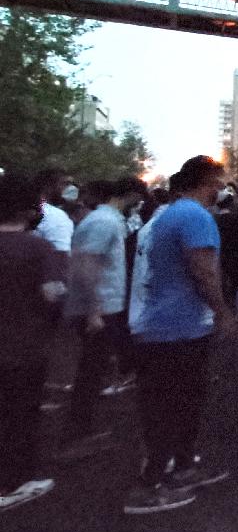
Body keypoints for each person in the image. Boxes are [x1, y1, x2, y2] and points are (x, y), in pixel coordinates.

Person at [127, 156, 237, 514]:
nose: (223, 186)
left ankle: (184, 467)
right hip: (175, 330)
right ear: (207, 180)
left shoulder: (168, 214)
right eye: (220, 179)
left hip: (166, 327)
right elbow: (204, 272)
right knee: (169, 408)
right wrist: (223, 313)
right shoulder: (194, 216)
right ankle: (148, 487)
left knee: (183, 403)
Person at [60, 177, 148, 459]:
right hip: (99, 309)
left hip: (104, 307)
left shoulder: (106, 220)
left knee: (94, 371)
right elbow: (87, 265)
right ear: (131, 195)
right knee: (90, 373)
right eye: (138, 197)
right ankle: (75, 437)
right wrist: (95, 310)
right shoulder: (104, 222)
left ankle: (81, 432)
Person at [0, 175, 67, 511]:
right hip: (25, 347)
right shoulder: (38, 249)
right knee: (21, 415)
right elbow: (53, 295)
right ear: (28, 209)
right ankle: (14, 482)